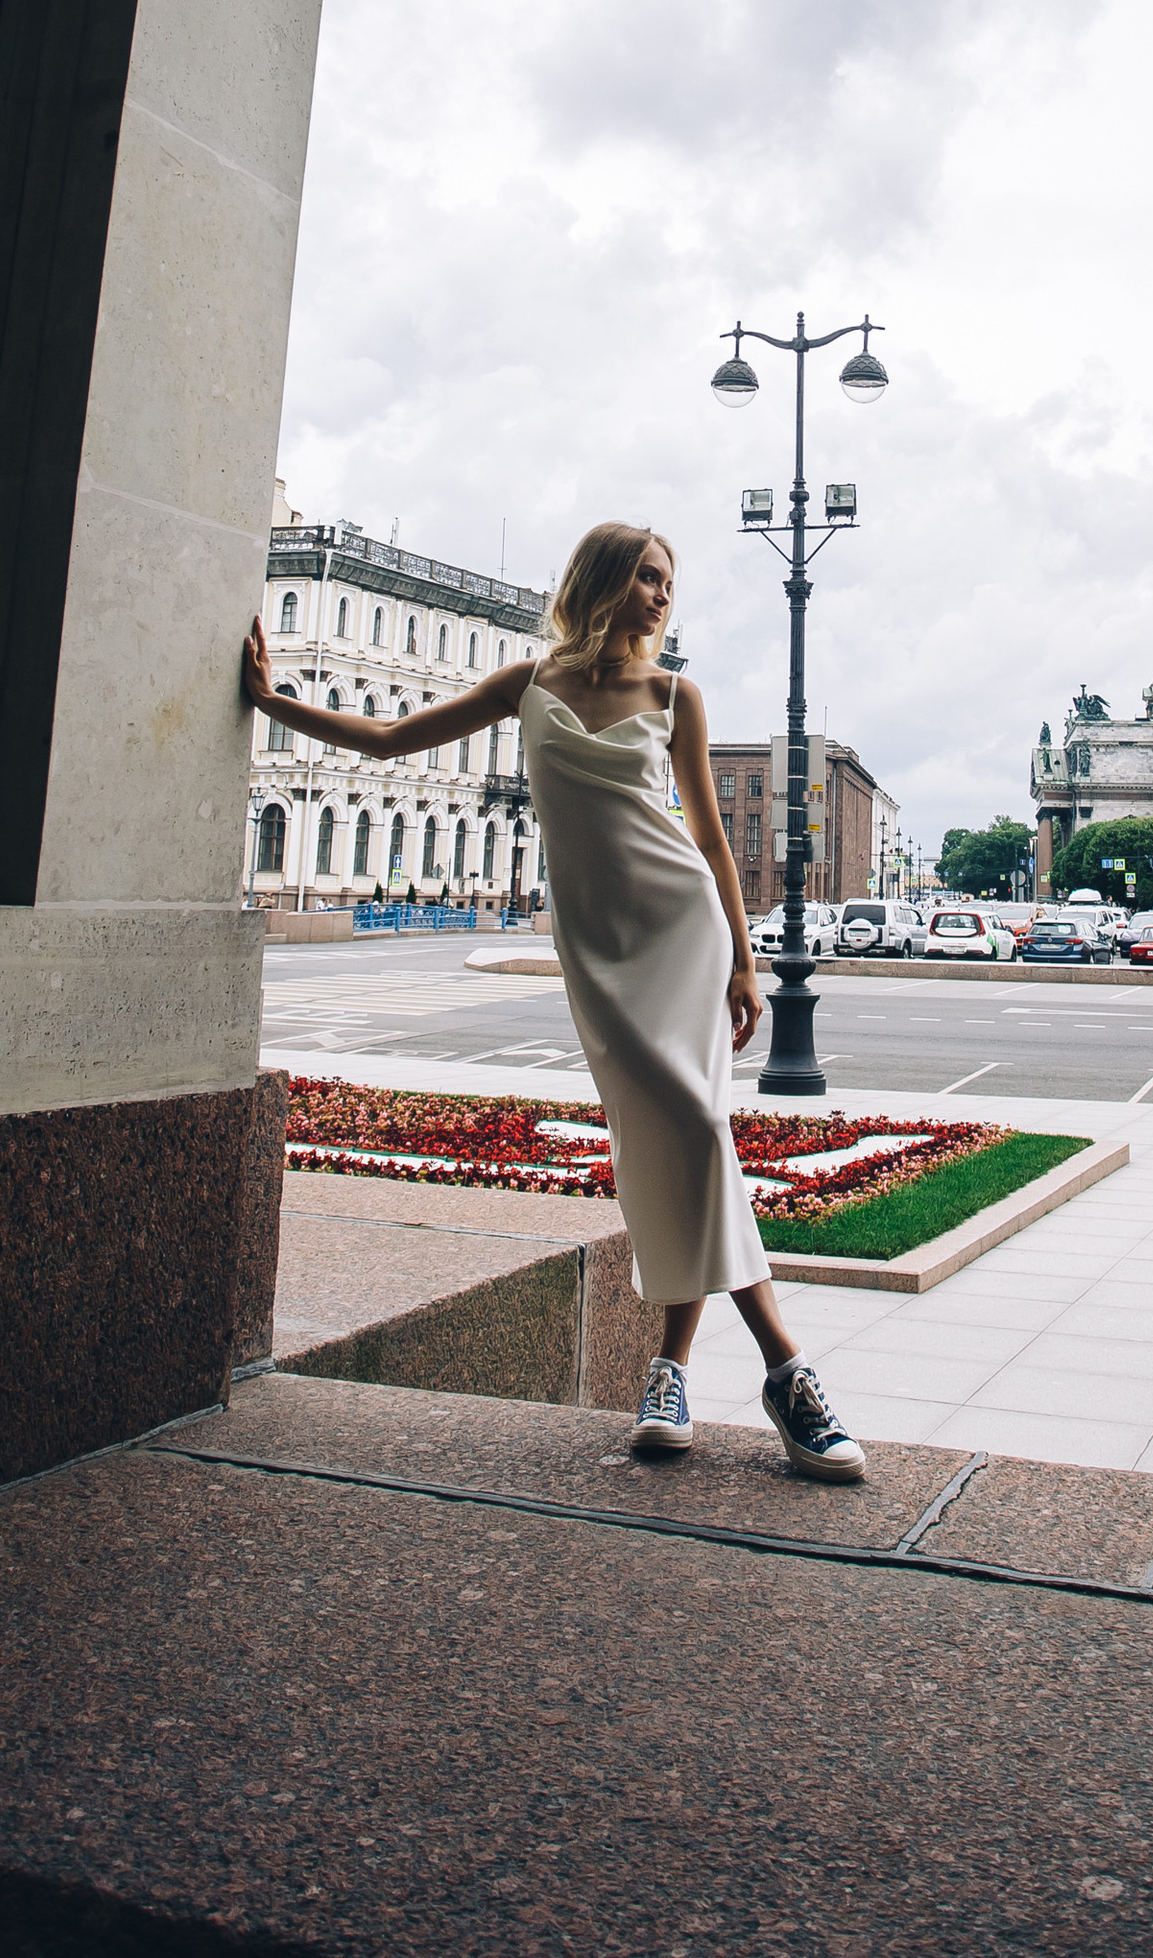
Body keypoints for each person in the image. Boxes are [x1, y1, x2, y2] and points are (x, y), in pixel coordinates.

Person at [241, 522, 864, 1480]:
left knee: (694, 1130)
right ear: (604, 582)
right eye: (647, 577)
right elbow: (392, 737)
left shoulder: (674, 697)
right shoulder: (525, 686)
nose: (662, 596)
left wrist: (745, 959)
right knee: (667, 1141)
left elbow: (708, 841)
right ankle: (685, 1372)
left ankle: (759, 1372)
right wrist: (277, 703)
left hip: (682, 934)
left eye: (669, 580)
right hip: (601, 952)